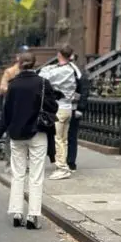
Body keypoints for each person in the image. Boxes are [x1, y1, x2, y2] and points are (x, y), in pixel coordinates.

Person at [0, 52, 59, 229]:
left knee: (18, 174)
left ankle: (17, 212)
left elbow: (6, 112)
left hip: (17, 134)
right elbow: (53, 106)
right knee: (36, 175)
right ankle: (32, 216)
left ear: (20, 64)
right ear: (34, 64)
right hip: (37, 132)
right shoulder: (43, 83)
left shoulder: (13, 85)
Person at [39, 44, 77, 180]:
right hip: (68, 108)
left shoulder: (60, 71)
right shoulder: (71, 69)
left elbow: (43, 77)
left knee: (58, 139)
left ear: (59, 55)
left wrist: (46, 68)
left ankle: (62, 168)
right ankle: (64, 164)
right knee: (64, 140)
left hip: (59, 109)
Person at [67, 53, 89, 172]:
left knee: (71, 136)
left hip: (74, 108)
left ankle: (70, 162)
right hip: (63, 107)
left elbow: (84, 92)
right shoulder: (61, 72)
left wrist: (80, 108)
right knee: (61, 137)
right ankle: (62, 160)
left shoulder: (80, 73)